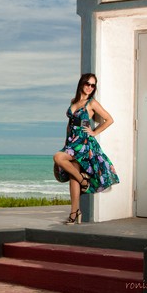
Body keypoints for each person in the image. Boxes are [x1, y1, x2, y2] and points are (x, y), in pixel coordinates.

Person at [53, 73, 119, 225]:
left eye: (93, 85)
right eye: (87, 84)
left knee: (58, 157)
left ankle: (84, 180)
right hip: (72, 142)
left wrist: (94, 132)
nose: (90, 87)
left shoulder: (92, 103)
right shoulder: (74, 101)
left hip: (83, 143)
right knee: (72, 177)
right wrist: (66, 142)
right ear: (81, 84)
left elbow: (109, 119)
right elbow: (70, 124)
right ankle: (75, 212)